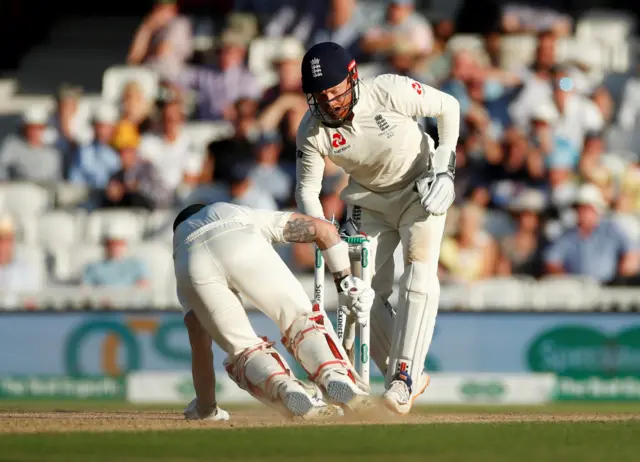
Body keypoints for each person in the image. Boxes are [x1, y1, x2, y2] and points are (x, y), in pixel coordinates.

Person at [295, 42, 460, 415]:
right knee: (357, 295)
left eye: (336, 91)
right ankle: (398, 376)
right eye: (320, 96)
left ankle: (403, 379)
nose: (330, 102)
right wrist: (323, 234)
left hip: (421, 188)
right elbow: (306, 191)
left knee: (419, 272)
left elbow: (448, 106)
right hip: (368, 202)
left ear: (353, 77)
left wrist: (445, 167)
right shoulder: (312, 130)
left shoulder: (387, 90)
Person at [173, 202, 375, 420]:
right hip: (239, 238)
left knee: (244, 349)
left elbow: (199, 339)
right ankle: (335, 377)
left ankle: (287, 389)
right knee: (300, 321)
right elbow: (324, 230)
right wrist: (346, 284)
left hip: (193, 266)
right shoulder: (236, 211)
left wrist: (206, 407)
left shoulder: (179, 253)